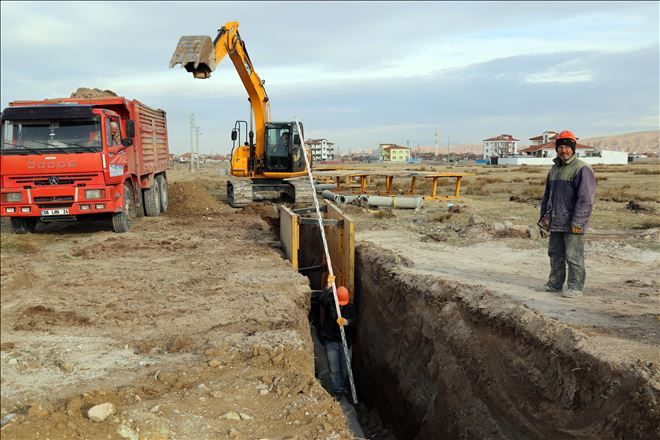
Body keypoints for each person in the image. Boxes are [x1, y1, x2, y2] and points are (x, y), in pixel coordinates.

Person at [539, 130, 596, 298]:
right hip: (556, 220)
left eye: (567, 147)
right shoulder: (554, 169)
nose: (564, 150)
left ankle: (575, 287)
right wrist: (543, 218)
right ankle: (554, 284)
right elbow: (547, 196)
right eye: (560, 147)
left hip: (573, 222)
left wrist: (578, 222)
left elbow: (586, 199)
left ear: (573, 149)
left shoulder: (582, 169)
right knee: (555, 254)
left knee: (574, 255)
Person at [317, 285, 355, 399]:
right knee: (334, 369)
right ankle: (337, 390)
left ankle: (344, 387)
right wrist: (328, 287)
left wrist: (347, 322)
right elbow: (321, 299)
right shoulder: (330, 304)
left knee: (345, 368)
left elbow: (356, 320)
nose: (341, 305)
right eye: (340, 302)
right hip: (331, 341)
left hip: (345, 342)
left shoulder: (350, 308)